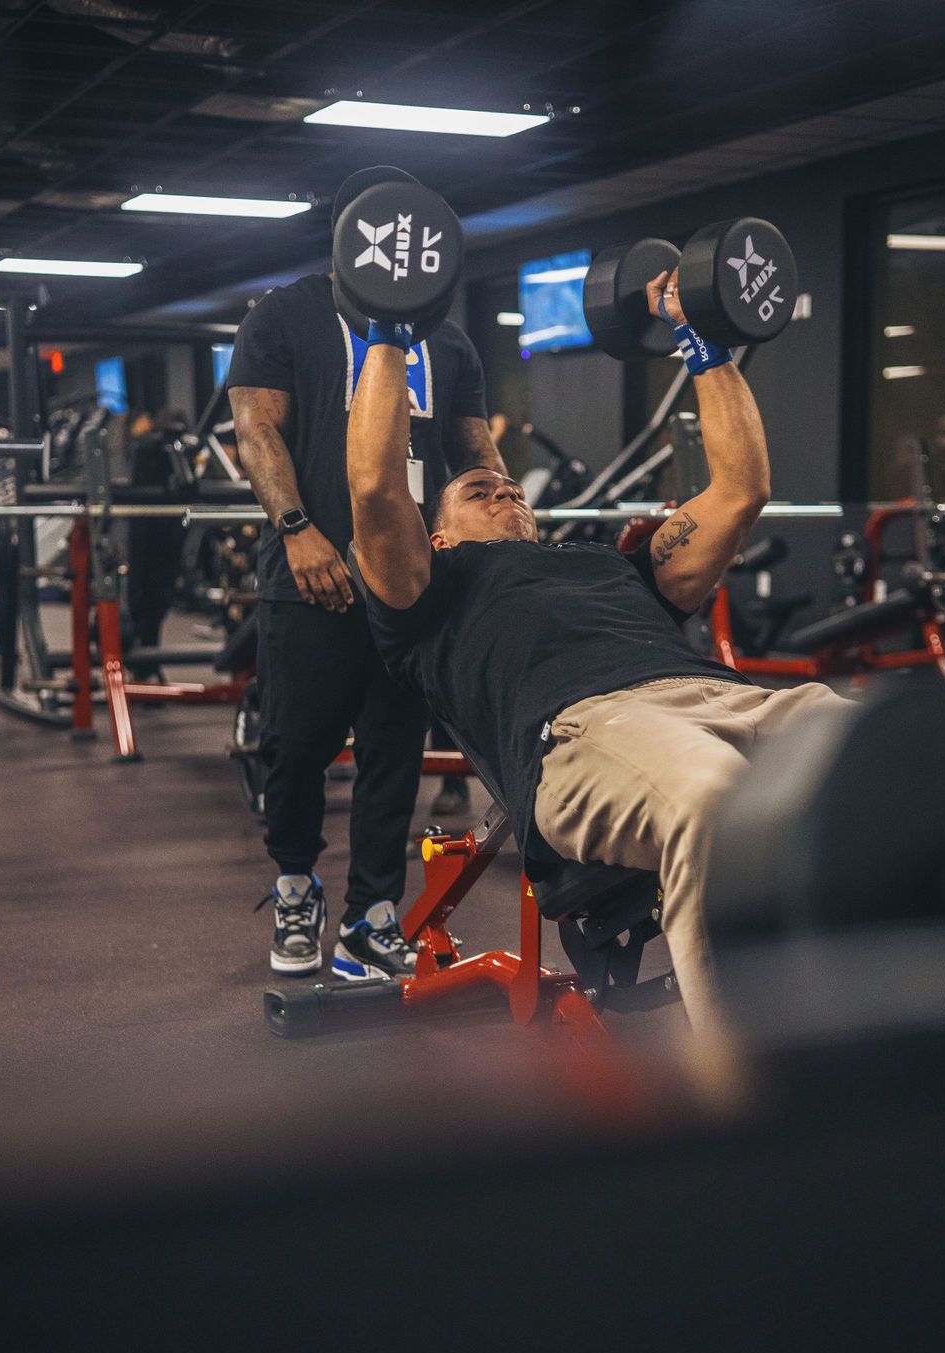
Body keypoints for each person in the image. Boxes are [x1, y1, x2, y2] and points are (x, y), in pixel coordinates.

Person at [346, 266, 854, 1033]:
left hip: (735, 697)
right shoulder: (430, 589)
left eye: (512, 489)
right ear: (440, 532)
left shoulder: (608, 562)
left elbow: (742, 489)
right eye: (479, 491)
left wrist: (700, 336)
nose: (506, 493)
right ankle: (762, 1104)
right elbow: (378, 490)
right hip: (591, 731)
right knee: (716, 802)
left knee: (904, 755)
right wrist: (387, 327)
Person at [228, 165, 506, 981]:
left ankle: (371, 914)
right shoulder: (285, 314)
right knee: (296, 746)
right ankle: (294, 884)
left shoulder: (447, 339)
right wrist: (296, 531)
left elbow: (473, 449)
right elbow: (257, 431)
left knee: (395, 752)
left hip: (413, 584)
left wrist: (500, 538)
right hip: (310, 575)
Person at [126, 405, 191, 679]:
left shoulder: (181, 452)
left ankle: (148, 662)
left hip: (168, 535)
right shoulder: (146, 450)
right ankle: (143, 662)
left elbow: (186, 488)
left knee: (158, 602)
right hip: (146, 535)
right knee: (143, 602)